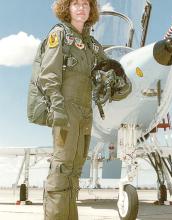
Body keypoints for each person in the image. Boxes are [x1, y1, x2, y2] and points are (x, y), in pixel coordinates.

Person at [39, 0, 107, 219]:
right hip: (66, 109)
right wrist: (57, 107)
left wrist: (117, 77)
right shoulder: (59, 35)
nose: (81, 8)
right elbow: (48, 74)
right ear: (66, 8)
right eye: (75, 3)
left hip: (85, 113)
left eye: (86, 4)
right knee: (62, 168)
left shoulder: (93, 46)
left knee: (76, 169)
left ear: (91, 10)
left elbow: (108, 71)